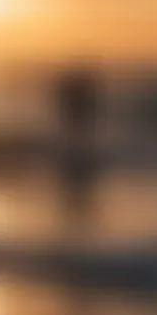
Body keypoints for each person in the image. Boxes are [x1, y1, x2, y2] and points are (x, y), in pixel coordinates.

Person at [53, 67, 102, 235]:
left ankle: (78, 161)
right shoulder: (78, 93)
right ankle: (78, 161)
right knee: (78, 133)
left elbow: (78, 107)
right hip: (77, 116)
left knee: (78, 133)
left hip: (77, 116)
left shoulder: (78, 92)